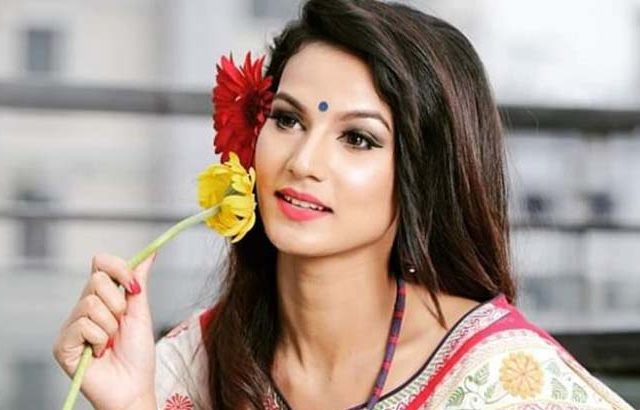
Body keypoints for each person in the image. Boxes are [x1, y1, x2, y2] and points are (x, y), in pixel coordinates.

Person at [53, 0, 633, 409]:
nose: (303, 161)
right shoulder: (190, 362)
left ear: (421, 174)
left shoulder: (501, 382)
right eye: (287, 120)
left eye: (357, 138)